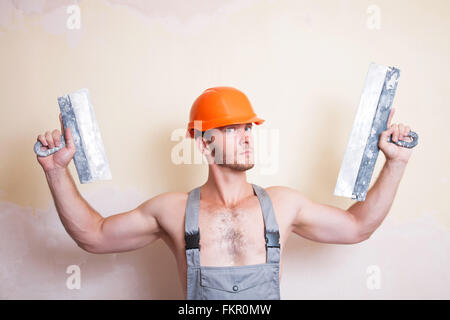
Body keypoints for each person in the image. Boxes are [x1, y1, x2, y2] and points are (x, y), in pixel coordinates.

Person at [36, 86, 413, 299]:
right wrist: (56, 172)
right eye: (231, 129)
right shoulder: (173, 211)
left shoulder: (283, 205)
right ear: (203, 143)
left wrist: (395, 162)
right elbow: (93, 236)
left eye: (248, 127)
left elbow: (358, 226)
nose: (246, 136)